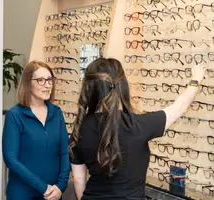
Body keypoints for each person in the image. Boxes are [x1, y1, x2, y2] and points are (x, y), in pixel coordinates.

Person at [68, 57, 206, 200]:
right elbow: (179, 106)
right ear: (122, 86)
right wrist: (195, 80)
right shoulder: (136, 125)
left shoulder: (80, 128)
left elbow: (78, 179)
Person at [2, 61, 71, 200]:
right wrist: (42, 187)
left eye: (50, 80)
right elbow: (11, 159)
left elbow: (65, 152)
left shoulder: (56, 113)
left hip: (53, 193)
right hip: (22, 193)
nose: (47, 85)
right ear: (28, 83)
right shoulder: (15, 114)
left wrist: (61, 186)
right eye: (41, 80)